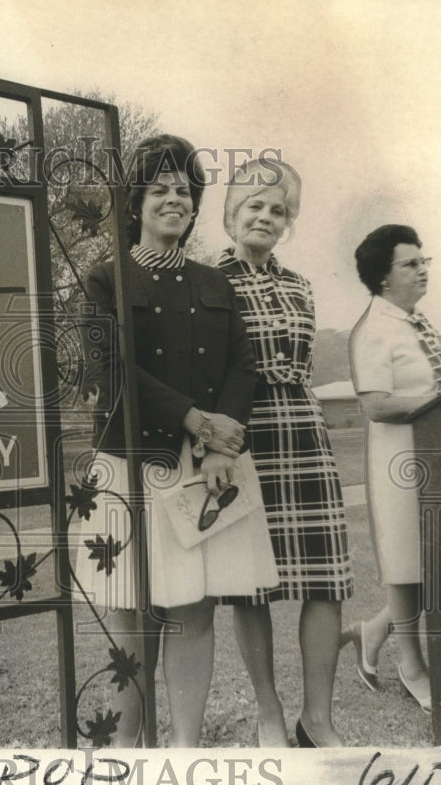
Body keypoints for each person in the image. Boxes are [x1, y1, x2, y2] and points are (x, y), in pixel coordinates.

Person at [76, 135, 278, 747]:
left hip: (207, 469)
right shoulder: (104, 277)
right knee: (133, 616)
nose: (174, 200)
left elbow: (244, 367)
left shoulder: (214, 282)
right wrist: (195, 420)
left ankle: (185, 755)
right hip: (132, 466)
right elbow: (110, 368)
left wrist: (221, 447)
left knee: (194, 609)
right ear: (136, 201)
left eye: (184, 191)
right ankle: (124, 753)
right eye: (159, 189)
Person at [216, 158, 353, 748]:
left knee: (327, 580)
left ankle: (315, 719)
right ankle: (270, 716)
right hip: (245, 433)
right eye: (254, 206)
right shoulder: (207, 282)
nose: (266, 217)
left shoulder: (300, 284)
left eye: (278, 210)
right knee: (252, 584)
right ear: (230, 215)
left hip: (303, 428)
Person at [343, 224, 441, 715]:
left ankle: (373, 631)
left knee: (439, 570)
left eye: (423, 260)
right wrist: (438, 398)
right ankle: (412, 667)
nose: (423, 269)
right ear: (384, 278)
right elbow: (375, 404)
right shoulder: (376, 330)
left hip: (438, 457)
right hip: (399, 461)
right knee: (410, 567)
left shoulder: (417, 322)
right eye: (411, 264)